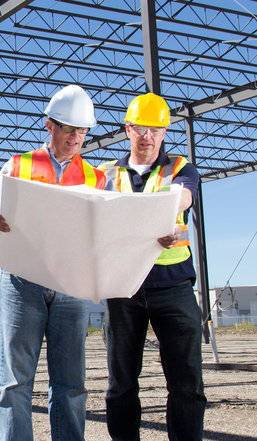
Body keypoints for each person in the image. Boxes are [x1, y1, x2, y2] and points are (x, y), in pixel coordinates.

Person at [0, 85, 108, 441]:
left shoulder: (97, 177)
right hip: (22, 283)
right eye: (69, 129)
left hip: (71, 286)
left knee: (71, 383)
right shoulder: (20, 164)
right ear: (49, 125)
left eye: (82, 131)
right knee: (15, 381)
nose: (76, 137)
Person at [98, 93, 207, 441]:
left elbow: (185, 194)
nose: (148, 137)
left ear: (164, 133)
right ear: (127, 129)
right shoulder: (105, 174)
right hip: (123, 288)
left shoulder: (180, 168)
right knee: (121, 384)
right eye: (141, 129)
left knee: (186, 382)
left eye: (156, 130)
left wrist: (172, 213)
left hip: (173, 289)